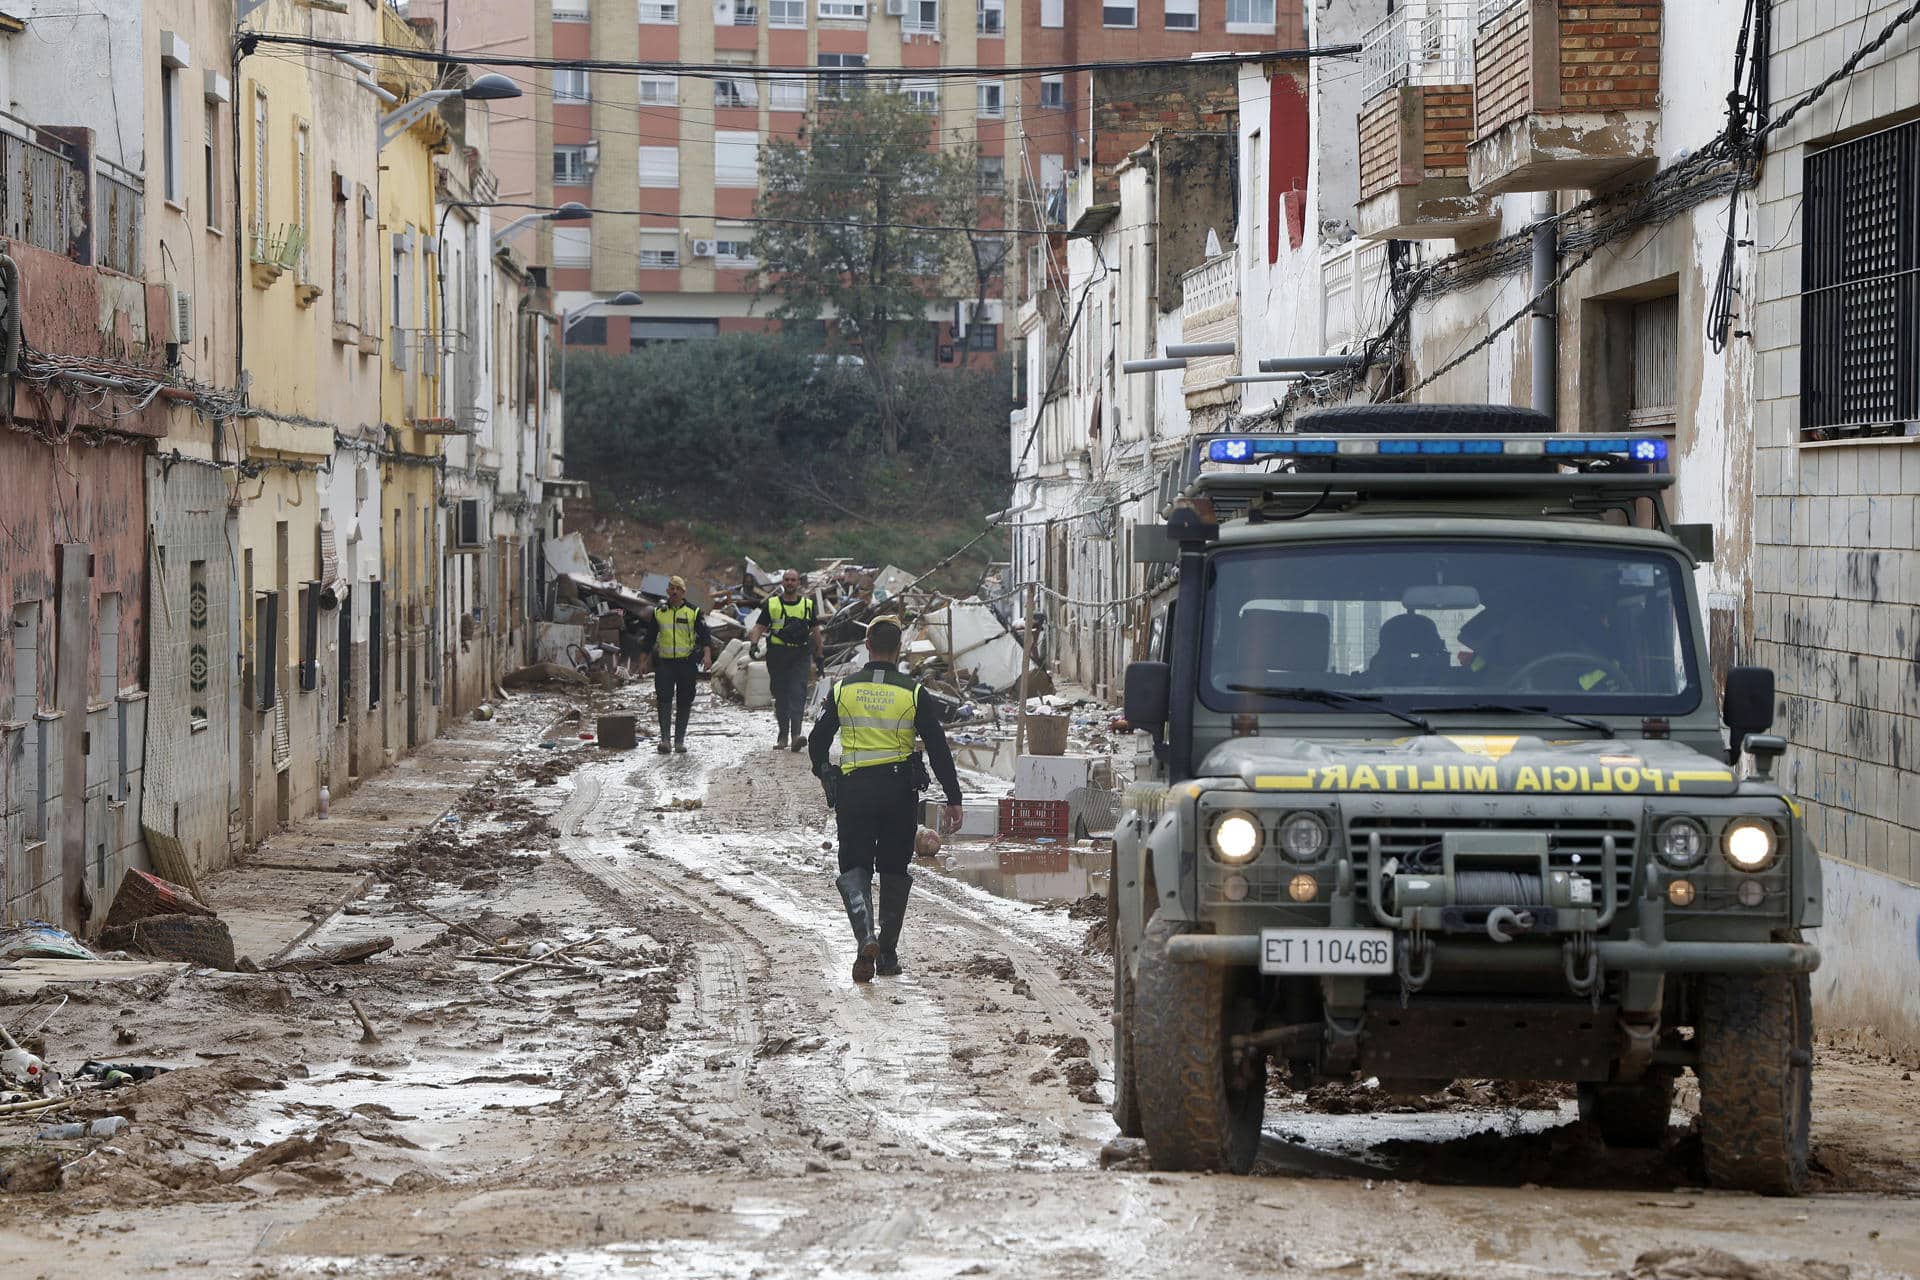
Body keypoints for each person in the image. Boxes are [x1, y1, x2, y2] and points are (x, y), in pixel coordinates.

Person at [808, 618, 963, 983]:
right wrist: (953, 797)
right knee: (894, 869)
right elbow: (939, 750)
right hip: (898, 793)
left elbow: (817, 741)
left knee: (854, 867)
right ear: (899, 649)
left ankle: (866, 938)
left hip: (855, 792)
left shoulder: (843, 689)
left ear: (866, 644)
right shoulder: (913, 692)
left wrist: (824, 772)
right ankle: (888, 955)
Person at [748, 568, 824, 752]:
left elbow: (815, 631)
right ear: (783, 583)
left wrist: (819, 655)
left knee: (797, 693)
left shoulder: (807, 605)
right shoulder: (772, 604)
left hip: (800, 655)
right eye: (787, 580)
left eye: (793, 580)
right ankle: (783, 735)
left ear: (798, 583)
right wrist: (753, 643)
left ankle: (796, 735)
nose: (790, 583)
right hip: (778, 655)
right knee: (781, 695)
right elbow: (759, 626)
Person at [644, 576, 712, 754]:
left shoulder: (693, 612)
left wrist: (707, 655)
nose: (674, 592)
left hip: (686, 663)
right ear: (667, 591)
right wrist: (642, 661)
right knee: (664, 699)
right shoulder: (659, 611)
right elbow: (649, 638)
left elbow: (705, 636)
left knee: (685, 700)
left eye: (678, 589)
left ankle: (679, 740)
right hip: (665, 663)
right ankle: (665, 739)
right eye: (671, 588)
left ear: (683, 592)